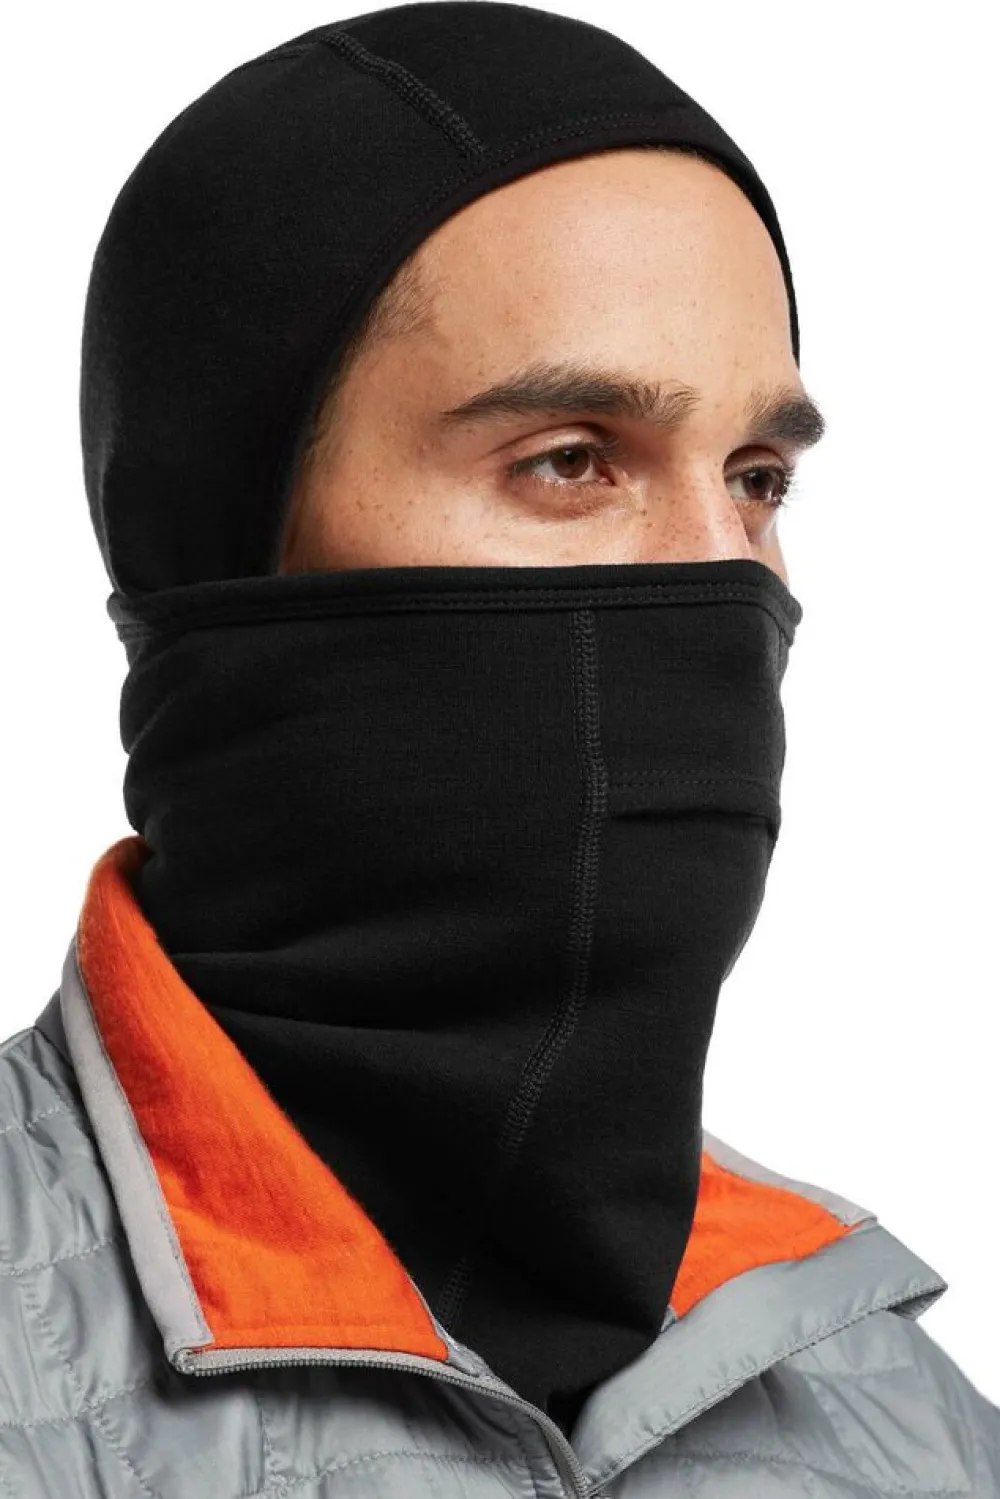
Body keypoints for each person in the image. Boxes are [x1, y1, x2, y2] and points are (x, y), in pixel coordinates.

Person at [0, 3, 996, 1494]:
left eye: (756, 477)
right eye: (571, 460)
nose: (722, 583)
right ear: (224, 555)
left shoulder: (898, 1412)